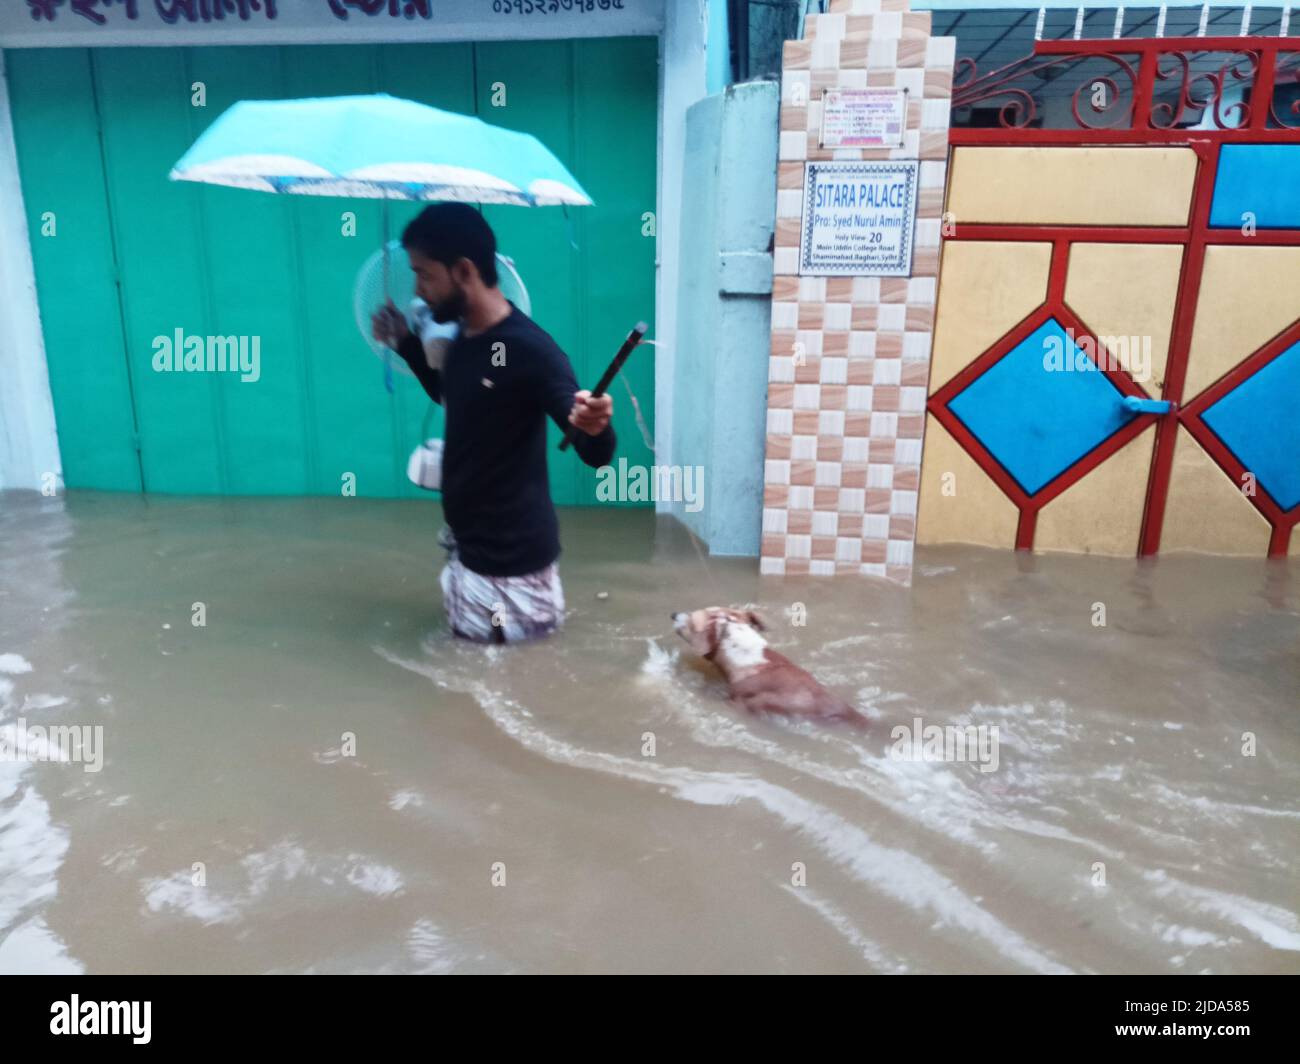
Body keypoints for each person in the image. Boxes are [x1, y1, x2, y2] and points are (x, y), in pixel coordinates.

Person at [371, 203, 615, 644]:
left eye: (424, 274)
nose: (418, 291)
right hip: (469, 554)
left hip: (513, 576)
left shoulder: (530, 350)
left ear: (464, 270)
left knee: (513, 693)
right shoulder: (461, 336)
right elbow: (453, 394)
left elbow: (594, 452)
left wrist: (595, 424)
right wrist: (404, 340)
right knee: (471, 691)